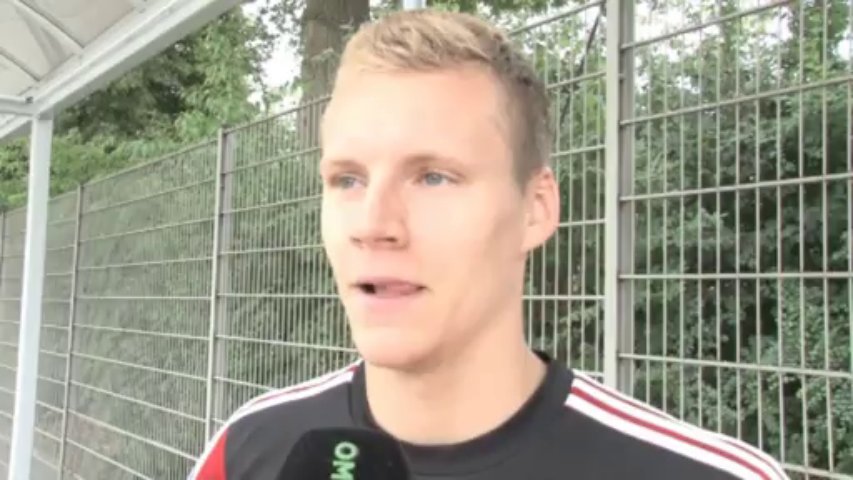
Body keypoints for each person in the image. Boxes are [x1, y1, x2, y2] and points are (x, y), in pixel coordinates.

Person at [189, 9, 789, 480]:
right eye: (348, 179)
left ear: (536, 209)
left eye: (433, 177)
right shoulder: (246, 450)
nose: (373, 223)